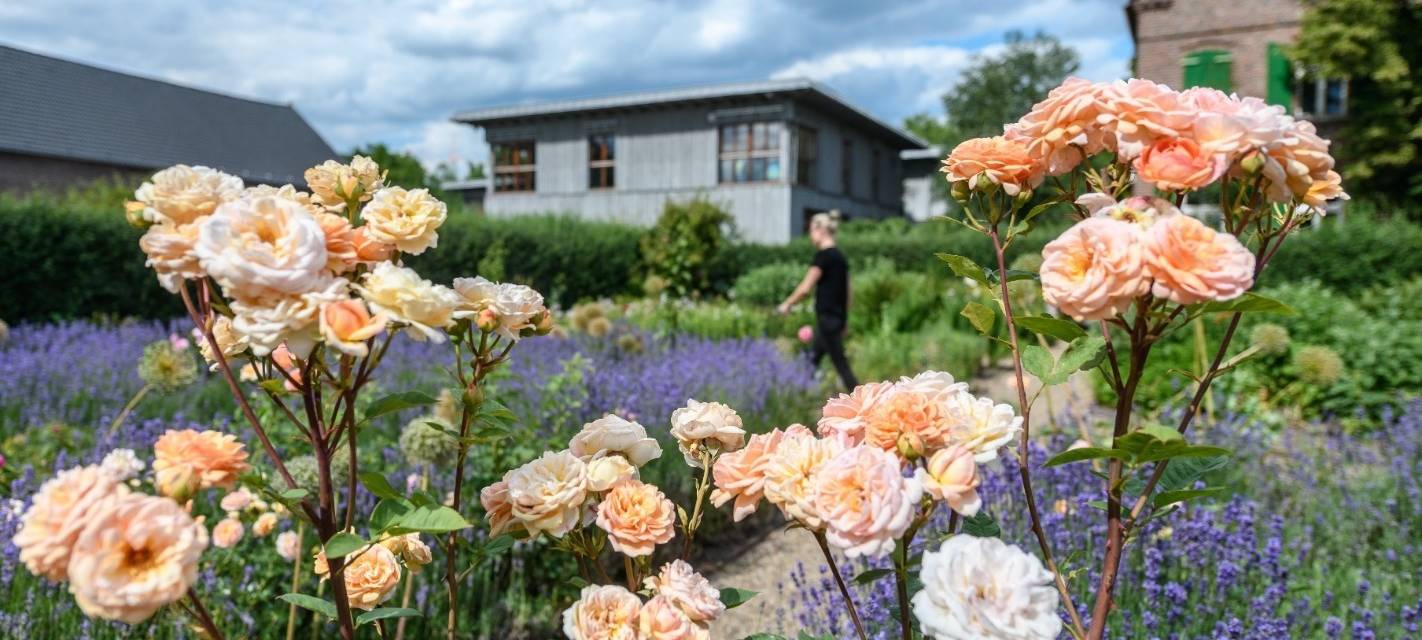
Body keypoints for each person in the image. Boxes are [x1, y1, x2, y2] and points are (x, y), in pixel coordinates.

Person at [778, 211, 858, 390]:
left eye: (811, 231)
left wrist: (787, 304)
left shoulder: (823, 257)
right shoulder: (840, 257)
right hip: (834, 319)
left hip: (827, 320)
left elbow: (805, 288)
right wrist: (844, 320)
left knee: (841, 365)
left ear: (821, 230)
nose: (810, 236)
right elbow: (848, 292)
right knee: (812, 359)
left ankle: (862, 400)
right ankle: (798, 394)